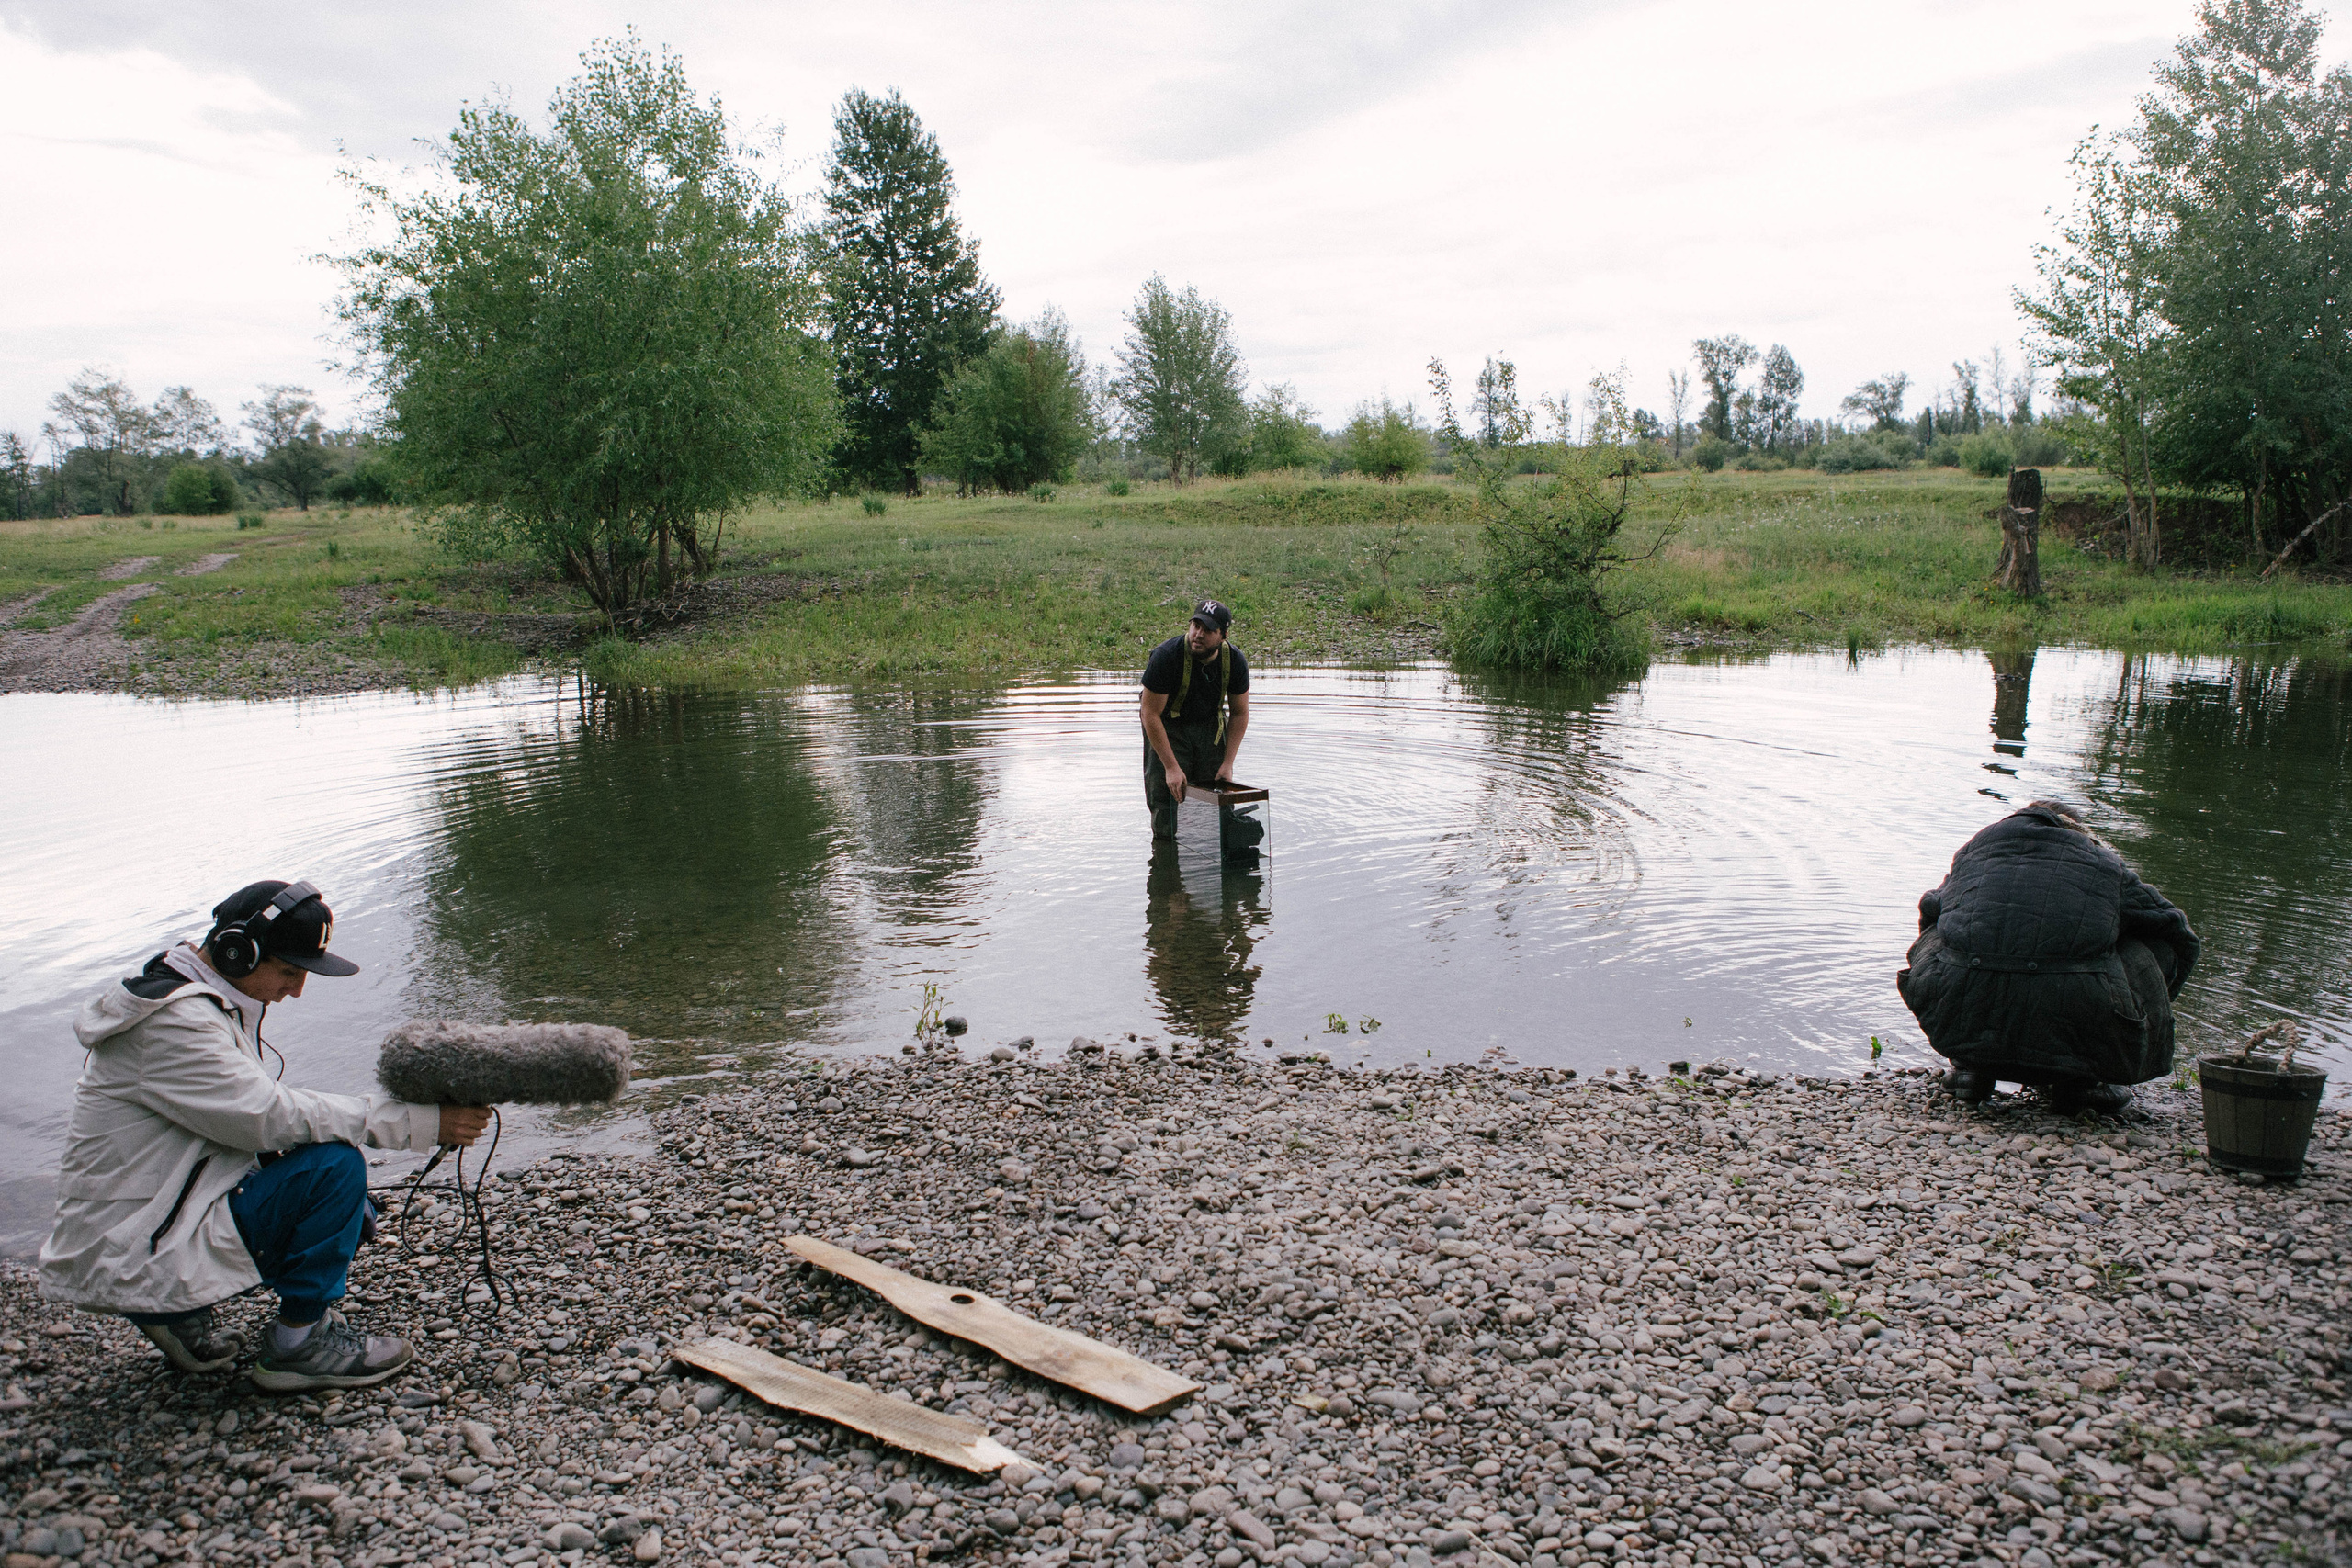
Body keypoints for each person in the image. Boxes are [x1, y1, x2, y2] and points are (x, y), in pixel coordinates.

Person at [39, 880, 491, 1392]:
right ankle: (297, 1348)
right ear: (237, 953)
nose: (296, 990)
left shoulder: (196, 1001)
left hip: (136, 1230)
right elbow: (264, 1115)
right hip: (132, 1248)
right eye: (289, 972)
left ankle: (175, 1312)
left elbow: (247, 1123)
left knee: (321, 1180)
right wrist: (418, 1124)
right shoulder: (175, 1023)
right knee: (334, 1170)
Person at [1896, 801, 2200, 1113]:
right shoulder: (2104, 863)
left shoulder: (1974, 852)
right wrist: (2146, 1011)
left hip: (1962, 1026)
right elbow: (2179, 935)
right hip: (2075, 1027)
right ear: (2077, 831)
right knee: (2146, 942)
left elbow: (1931, 911)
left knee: (1938, 932)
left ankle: (1971, 1069)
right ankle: (2082, 1084)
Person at [1140, 599, 1251, 840]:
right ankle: (1167, 861)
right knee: (1168, 798)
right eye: (1195, 626)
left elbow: (1240, 713)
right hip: (1167, 724)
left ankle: (1211, 856)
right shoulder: (1165, 657)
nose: (1198, 635)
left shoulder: (1234, 661)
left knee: (1214, 798)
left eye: (1208, 630)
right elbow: (1149, 713)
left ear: (1223, 635)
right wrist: (1171, 767)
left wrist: (1228, 763)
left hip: (1209, 726)